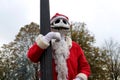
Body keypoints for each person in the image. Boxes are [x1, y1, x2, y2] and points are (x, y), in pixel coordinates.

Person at [27, 13, 91, 80]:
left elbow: (85, 67)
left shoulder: (75, 46)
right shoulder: (46, 42)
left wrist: (79, 78)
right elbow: (32, 56)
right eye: (58, 27)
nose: (60, 29)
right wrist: (47, 38)